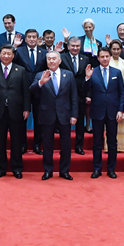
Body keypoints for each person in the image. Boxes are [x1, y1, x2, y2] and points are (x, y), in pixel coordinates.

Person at [0, 45, 31, 178]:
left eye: (9, 54)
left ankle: (17, 168)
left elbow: (26, 91)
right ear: (0, 54)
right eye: (3, 53)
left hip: (16, 110)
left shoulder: (21, 70)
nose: (6, 56)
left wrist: (27, 108)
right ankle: (0, 168)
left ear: (13, 56)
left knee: (17, 141)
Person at [30, 51, 77, 180]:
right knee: (47, 144)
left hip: (65, 114)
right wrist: (41, 82)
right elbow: (31, 90)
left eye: (54, 59)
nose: (51, 61)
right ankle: (48, 171)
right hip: (47, 114)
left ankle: (64, 171)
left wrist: (74, 115)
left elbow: (73, 96)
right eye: (49, 59)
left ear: (60, 61)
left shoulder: (69, 75)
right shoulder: (40, 75)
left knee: (66, 145)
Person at [85, 47, 124, 178]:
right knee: (97, 142)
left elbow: (121, 93)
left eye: (107, 56)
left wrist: (121, 110)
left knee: (112, 142)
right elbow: (85, 90)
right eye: (102, 57)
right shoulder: (93, 72)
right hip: (97, 111)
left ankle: (111, 169)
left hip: (113, 112)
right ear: (98, 58)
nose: (105, 59)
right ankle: (97, 169)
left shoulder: (117, 72)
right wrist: (87, 78)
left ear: (110, 57)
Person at [15, 29, 48, 154]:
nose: (32, 39)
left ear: (38, 38)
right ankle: (22, 145)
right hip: (22, 90)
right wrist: (14, 46)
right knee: (21, 119)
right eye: (29, 37)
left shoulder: (44, 52)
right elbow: (12, 62)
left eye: (34, 37)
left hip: (39, 90)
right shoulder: (19, 51)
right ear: (25, 38)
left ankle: (37, 145)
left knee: (39, 119)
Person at [60, 36, 89, 155]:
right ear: (68, 46)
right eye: (73, 46)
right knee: (64, 124)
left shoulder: (85, 59)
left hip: (80, 95)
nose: (75, 48)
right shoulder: (62, 58)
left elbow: (88, 78)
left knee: (80, 123)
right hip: (64, 95)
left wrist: (88, 94)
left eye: (77, 46)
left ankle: (79, 146)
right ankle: (64, 148)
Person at [105, 40, 124, 153]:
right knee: (109, 122)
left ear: (121, 50)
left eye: (118, 49)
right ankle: (108, 147)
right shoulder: (106, 60)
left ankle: (120, 147)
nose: (116, 51)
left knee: (121, 120)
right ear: (110, 49)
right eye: (113, 49)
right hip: (109, 95)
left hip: (121, 94)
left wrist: (121, 86)